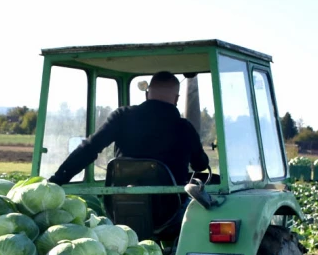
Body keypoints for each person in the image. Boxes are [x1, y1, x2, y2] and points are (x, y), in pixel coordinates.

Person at [47, 71, 210, 185]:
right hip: (171, 210)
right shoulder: (185, 128)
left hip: (119, 208)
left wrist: (58, 179)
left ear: (147, 94)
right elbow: (200, 165)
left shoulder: (122, 116)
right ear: (176, 99)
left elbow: (89, 148)